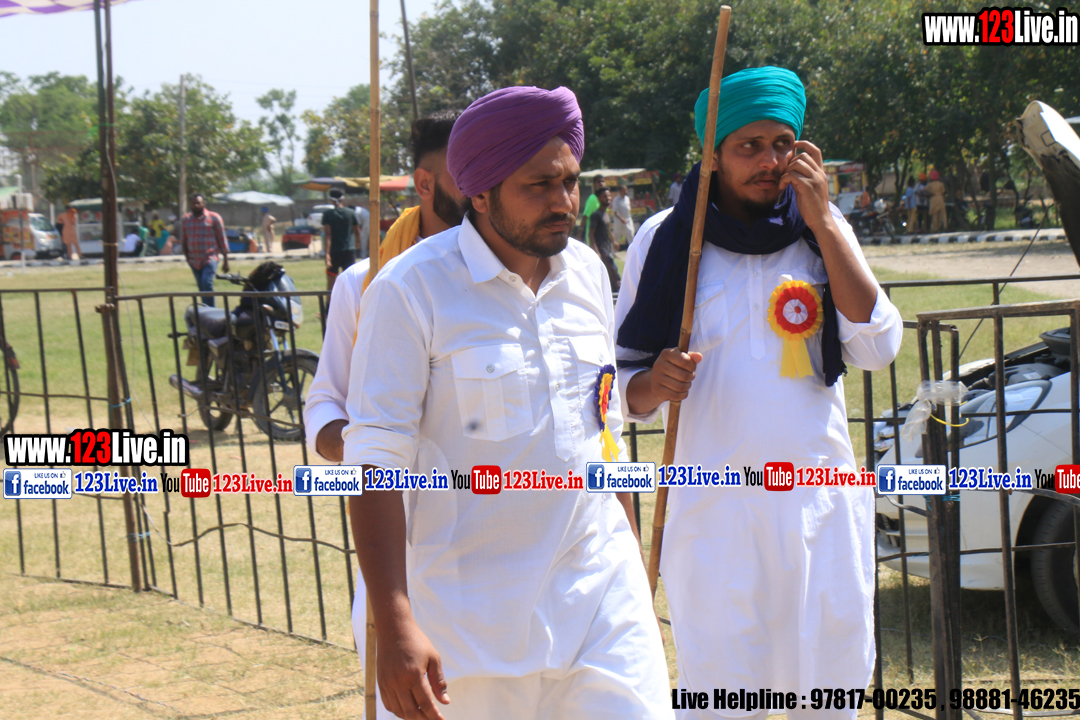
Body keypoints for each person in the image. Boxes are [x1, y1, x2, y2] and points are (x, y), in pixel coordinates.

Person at [344, 85, 671, 720]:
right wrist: (394, 623)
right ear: (481, 192)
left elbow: (604, 431)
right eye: (539, 185)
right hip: (464, 626)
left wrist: (631, 561)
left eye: (570, 181)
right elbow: (374, 460)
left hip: (598, 600)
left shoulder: (587, 273)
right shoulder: (410, 289)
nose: (563, 202)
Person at [615, 66, 903, 720]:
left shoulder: (820, 230)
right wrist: (653, 383)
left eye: (783, 144)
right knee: (721, 696)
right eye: (750, 146)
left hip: (816, 507)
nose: (770, 162)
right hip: (713, 515)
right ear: (713, 154)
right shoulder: (665, 240)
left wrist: (824, 223)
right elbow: (619, 387)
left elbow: (879, 348)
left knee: (828, 691)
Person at [306, 110, 465, 465]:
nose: (481, 185)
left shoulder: (513, 276)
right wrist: (372, 451)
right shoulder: (364, 283)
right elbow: (326, 403)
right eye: (465, 173)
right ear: (425, 184)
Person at [180, 194, 229, 306]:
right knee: (201, 287)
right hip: (194, 260)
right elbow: (184, 240)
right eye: (194, 203)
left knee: (206, 283)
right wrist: (187, 258)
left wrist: (226, 260)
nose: (196, 205)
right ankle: (206, 310)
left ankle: (211, 310)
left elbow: (222, 239)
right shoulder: (186, 220)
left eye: (198, 203)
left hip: (210, 257)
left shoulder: (214, 217)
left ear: (203, 204)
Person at [322, 187, 360, 292]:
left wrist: (327, 254)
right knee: (351, 283)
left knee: (331, 283)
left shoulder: (327, 214)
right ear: (343, 199)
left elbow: (328, 234)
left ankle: (329, 302)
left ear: (331, 199)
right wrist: (357, 244)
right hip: (349, 250)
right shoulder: (351, 212)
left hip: (334, 251)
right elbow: (357, 231)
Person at [589, 186, 620, 290]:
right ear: (599, 199)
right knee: (614, 275)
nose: (608, 198)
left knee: (610, 276)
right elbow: (591, 234)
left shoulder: (605, 213)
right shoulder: (596, 215)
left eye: (609, 196)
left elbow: (608, 229)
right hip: (602, 250)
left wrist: (614, 241)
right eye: (605, 196)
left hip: (607, 249)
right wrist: (596, 251)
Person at [579, 174, 606, 248]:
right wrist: (579, 235)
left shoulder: (605, 199)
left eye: (603, 181)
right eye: (599, 182)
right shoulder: (592, 199)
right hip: (594, 239)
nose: (601, 183)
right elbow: (585, 217)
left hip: (603, 238)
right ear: (594, 184)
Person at [612, 183, 635, 249]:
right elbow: (615, 212)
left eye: (626, 190)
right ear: (620, 191)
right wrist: (621, 219)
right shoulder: (616, 200)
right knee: (616, 237)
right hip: (619, 222)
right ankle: (613, 252)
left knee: (631, 235)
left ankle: (633, 250)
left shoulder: (627, 198)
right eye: (624, 190)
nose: (626, 192)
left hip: (628, 221)